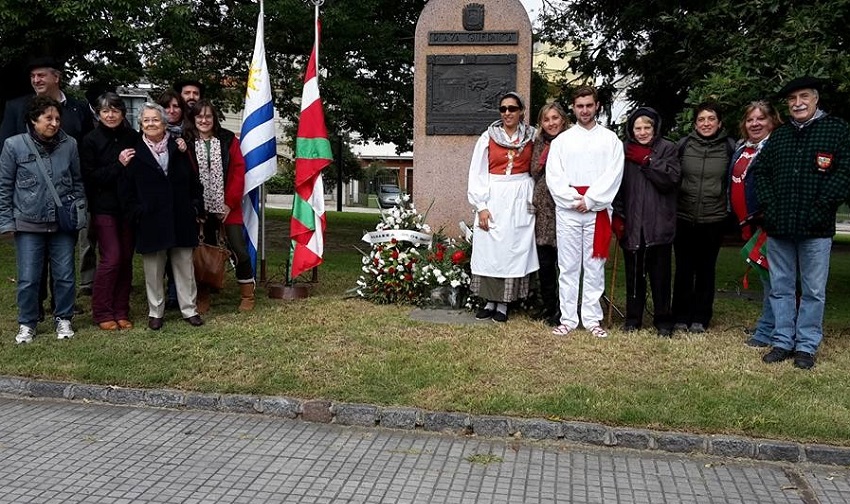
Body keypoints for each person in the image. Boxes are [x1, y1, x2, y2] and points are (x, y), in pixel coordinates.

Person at [754, 77, 850, 369]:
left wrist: (822, 207)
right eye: (792, 98)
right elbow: (761, 173)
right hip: (779, 225)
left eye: (804, 96)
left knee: (813, 290)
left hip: (816, 228)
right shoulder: (780, 136)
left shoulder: (837, 130)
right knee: (780, 287)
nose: (798, 103)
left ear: (815, 99)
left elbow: (844, 174)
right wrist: (770, 206)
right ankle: (783, 340)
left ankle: (806, 346)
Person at [0, 57, 96, 306]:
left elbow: (87, 147)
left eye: (41, 75)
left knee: (63, 260)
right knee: (33, 262)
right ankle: (37, 304)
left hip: (65, 196)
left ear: (57, 77)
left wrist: (80, 195)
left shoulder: (78, 108)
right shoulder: (15, 107)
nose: (36, 80)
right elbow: (7, 153)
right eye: (33, 76)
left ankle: (62, 306)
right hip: (30, 200)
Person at [0, 96, 87, 343]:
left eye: (57, 118)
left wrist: (77, 209)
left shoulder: (69, 144)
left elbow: (77, 180)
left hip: (62, 222)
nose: (54, 123)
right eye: (48, 118)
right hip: (28, 221)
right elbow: (4, 186)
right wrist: (6, 222)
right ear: (33, 119)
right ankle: (27, 323)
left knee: (65, 274)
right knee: (29, 277)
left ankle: (64, 318)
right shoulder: (14, 145)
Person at [546, 85, 624, 338]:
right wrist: (572, 199)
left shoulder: (610, 140)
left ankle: (592, 319)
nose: (585, 110)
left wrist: (590, 200)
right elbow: (554, 177)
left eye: (589, 105)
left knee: (594, 266)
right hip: (568, 210)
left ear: (597, 106)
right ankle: (568, 318)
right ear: (573, 107)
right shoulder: (562, 141)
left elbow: (614, 175)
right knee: (568, 266)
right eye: (580, 106)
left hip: (597, 210)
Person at [121, 102, 206, 330]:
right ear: (140, 125)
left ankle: (189, 310)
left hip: (180, 216)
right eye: (146, 120)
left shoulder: (180, 147)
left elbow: (194, 181)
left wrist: (195, 207)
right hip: (150, 219)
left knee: (184, 266)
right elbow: (126, 188)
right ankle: (155, 312)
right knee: (154, 269)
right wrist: (137, 212)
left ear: (164, 123)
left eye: (155, 119)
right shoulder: (132, 152)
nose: (151, 124)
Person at [467, 91, 538, 323]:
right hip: (494, 195)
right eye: (503, 109)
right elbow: (477, 173)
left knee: (513, 249)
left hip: (520, 197)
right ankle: (489, 300)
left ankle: (505, 303)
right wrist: (481, 205)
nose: (507, 113)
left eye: (512, 109)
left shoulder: (532, 136)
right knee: (490, 249)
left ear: (521, 112)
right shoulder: (488, 137)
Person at [613, 107, 680, 336]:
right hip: (632, 223)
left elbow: (671, 179)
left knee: (660, 275)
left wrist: (648, 160)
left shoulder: (667, 148)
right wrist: (619, 215)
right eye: (637, 128)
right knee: (634, 275)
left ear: (655, 128)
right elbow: (617, 187)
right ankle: (633, 319)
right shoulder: (624, 150)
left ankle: (663, 320)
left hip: (658, 223)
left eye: (647, 127)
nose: (642, 132)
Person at [185, 99, 255, 312]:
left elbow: (237, 171)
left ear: (214, 118)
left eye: (208, 116)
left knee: (238, 249)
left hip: (227, 207)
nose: (204, 120)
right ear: (193, 119)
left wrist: (228, 203)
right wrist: (195, 206)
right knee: (203, 253)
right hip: (200, 210)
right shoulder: (185, 142)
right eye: (199, 116)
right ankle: (203, 296)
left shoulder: (227, 140)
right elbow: (185, 176)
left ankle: (247, 294)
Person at [671, 102, 735, 334]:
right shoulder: (684, 145)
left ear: (719, 123)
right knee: (684, 269)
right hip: (684, 216)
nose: (706, 123)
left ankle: (701, 317)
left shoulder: (729, 147)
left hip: (714, 218)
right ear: (695, 123)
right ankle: (680, 315)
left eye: (711, 119)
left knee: (706, 269)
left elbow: (732, 182)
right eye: (701, 119)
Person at [80, 93, 139, 331]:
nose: (110, 115)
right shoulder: (90, 140)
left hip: (128, 207)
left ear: (123, 112)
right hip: (104, 207)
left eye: (115, 110)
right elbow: (91, 178)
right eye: (105, 111)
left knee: (126, 259)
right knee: (111, 258)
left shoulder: (133, 137)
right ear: (98, 114)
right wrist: (119, 164)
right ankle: (102, 310)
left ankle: (121, 309)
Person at [728, 101, 782, 348]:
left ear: (772, 121)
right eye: (750, 120)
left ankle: (767, 331)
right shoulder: (742, 149)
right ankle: (772, 326)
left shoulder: (775, 147)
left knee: (774, 280)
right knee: (767, 279)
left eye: (761, 119)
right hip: (748, 224)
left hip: (768, 225)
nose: (755, 124)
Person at [529, 102, 570, 326]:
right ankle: (549, 305)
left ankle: (565, 309)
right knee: (545, 263)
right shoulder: (539, 142)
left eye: (555, 118)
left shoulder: (571, 141)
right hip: (544, 209)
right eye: (546, 119)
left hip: (564, 208)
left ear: (562, 119)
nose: (551, 123)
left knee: (565, 263)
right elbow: (534, 169)